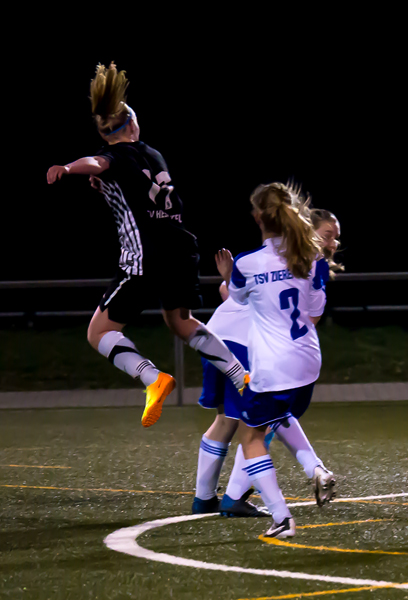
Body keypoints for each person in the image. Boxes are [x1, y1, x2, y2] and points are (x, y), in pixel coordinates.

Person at [45, 62, 248, 428]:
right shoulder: (152, 155)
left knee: (100, 332)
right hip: (181, 249)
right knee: (181, 322)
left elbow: (96, 161)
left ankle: (152, 378)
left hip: (146, 255)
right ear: (134, 123)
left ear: (109, 133)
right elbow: (123, 180)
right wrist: (102, 182)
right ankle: (241, 376)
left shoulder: (115, 157)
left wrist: (70, 168)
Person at [192, 209, 341, 517]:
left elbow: (231, 292)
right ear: (308, 232)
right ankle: (236, 497)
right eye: (328, 235)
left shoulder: (275, 258)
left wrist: (230, 278)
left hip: (217, 335)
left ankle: (204, 498)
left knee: (229, 420)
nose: (335, 242)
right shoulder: (308, 263)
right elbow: (307, 318)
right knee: (264, 423)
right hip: (245, 347)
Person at [216, 182, 332, 539]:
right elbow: (314, 311)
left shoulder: (247, 264)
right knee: (279, 417)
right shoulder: (314, 258)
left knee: (250, 438)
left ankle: (282, 518)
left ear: (257, 217)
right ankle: (315, 467)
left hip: (273, 366)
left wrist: (227, 275)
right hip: (308, 362)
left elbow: (234, 296)